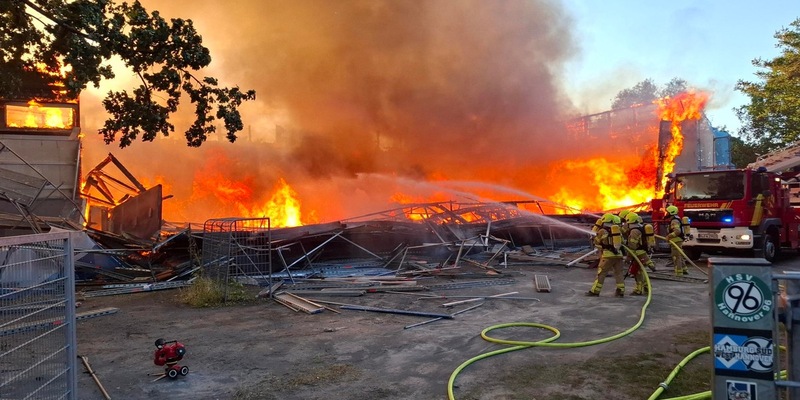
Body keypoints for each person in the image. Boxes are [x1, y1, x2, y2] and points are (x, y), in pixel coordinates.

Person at [586, 214, 625, 297]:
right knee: (619, 273)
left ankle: (595, 291)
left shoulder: (602, 231)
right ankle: (620, 291)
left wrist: (594, 238)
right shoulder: (618, 231)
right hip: (619, 255)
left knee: (601, 273)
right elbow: (623, 242)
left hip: (607, 256)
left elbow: (597, 242)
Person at [623, 212, 655, 295]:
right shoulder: (642, 228)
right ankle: (647, 287)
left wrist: (628, 258)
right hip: (643, 253)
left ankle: (638, 290)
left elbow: (632, 246)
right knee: (640, 271)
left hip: (637, 254)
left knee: (637, 273)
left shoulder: (634, 231)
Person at [665, 205, 689, 276]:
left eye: (667, 212)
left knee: (676, 256)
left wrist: (669, 236)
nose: (666, 214)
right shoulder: (677, 219)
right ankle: (684, 269)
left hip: (676, 240)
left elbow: (677, 231)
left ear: (671, 212)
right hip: (678, 240)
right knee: (680, 256)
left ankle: (678, 272)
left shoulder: (674, 220)